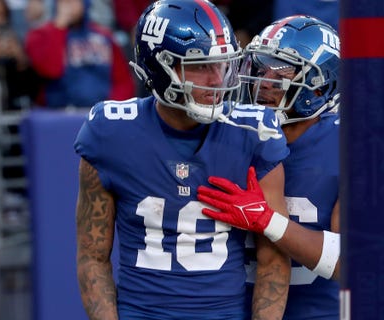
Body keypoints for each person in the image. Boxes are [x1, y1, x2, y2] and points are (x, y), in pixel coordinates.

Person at [73, 1, 291, 319]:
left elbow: (273, 258)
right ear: (158, 66)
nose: (217, 80)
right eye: (201, 65)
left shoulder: (253, 132)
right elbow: (92, 256)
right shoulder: (109, 133)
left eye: (222, 64)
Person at [197, 15, 342, 319]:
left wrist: (269, 222)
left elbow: (353, 261)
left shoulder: (346, 146)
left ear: (318, 88)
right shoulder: (230, 131)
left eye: (279, 73)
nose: (262, 83)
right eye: (259, 68)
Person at [25, 0, 135, 108]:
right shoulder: (39, 35)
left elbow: (123, 81)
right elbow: (51, 70)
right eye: (64, 2)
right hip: (58, 114)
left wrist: (110, 109)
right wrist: (59, 27)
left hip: (101, 113)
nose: (69, 5)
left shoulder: (104, 36)